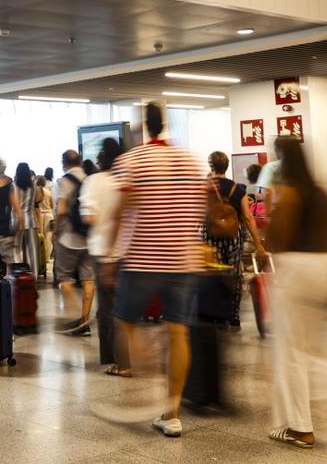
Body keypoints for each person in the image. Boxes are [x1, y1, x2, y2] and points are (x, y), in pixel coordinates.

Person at [109, 104, 207, 438]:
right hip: (182, 260)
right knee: (178, 333)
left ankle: (146, 368)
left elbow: (120, 212)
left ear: (143, 127)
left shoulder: (132, 161)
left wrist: (111, 255)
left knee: (124, 324)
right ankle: (172, 413)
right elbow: (201, 209)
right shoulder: (190, 161)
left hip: (142, 259)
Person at [263, 137, 327, 449]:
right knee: (308, 349)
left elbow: (278, 238)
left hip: (299, 270)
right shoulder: (323, 193)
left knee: (293, 354)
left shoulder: (289, 191)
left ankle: (301, 429)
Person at [203, 151, 265, 327]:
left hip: (211, 239)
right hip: (233, 239)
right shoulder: (237, 189)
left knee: (212, 276)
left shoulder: (205, 188)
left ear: (211, 166)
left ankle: (216, 314)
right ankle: (233, 315)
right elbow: (248, 218)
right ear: (227, 166)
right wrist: (258, 244)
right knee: (234, 276)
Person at [81, 139, 124, 370]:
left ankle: (113, 358)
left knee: (107, 308)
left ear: (101, 158)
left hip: (102, 251)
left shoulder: (93, 182)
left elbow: (89, 217)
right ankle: (128, 357)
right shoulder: (125, 180)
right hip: (126, 252)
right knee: (124, 306)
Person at [53, 150, 94, 335]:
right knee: (88, 279)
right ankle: (85, 320)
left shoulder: (64, 181)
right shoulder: (90, 179)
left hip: (68, 238)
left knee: (64, 279)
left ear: (64, 163)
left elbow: (61, 210)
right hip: (88, 238)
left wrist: (56, 230)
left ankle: (75, 316)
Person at [14, 163, 39, 271]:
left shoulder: (13, 185)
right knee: (32, 250)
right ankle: (33, 275)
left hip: (16, 220)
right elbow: (38, 199)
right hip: (31, 219)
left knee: (16, 249)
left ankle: (17, 274)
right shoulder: (33, 185)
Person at [35, 175, 54, 278]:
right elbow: (52, 205)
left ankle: (40, 259)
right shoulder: (48, 192)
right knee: (48, 239)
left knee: (39, 238)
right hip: (48, 215)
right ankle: (46, 259)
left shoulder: (35, 191)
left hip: (39, 215)